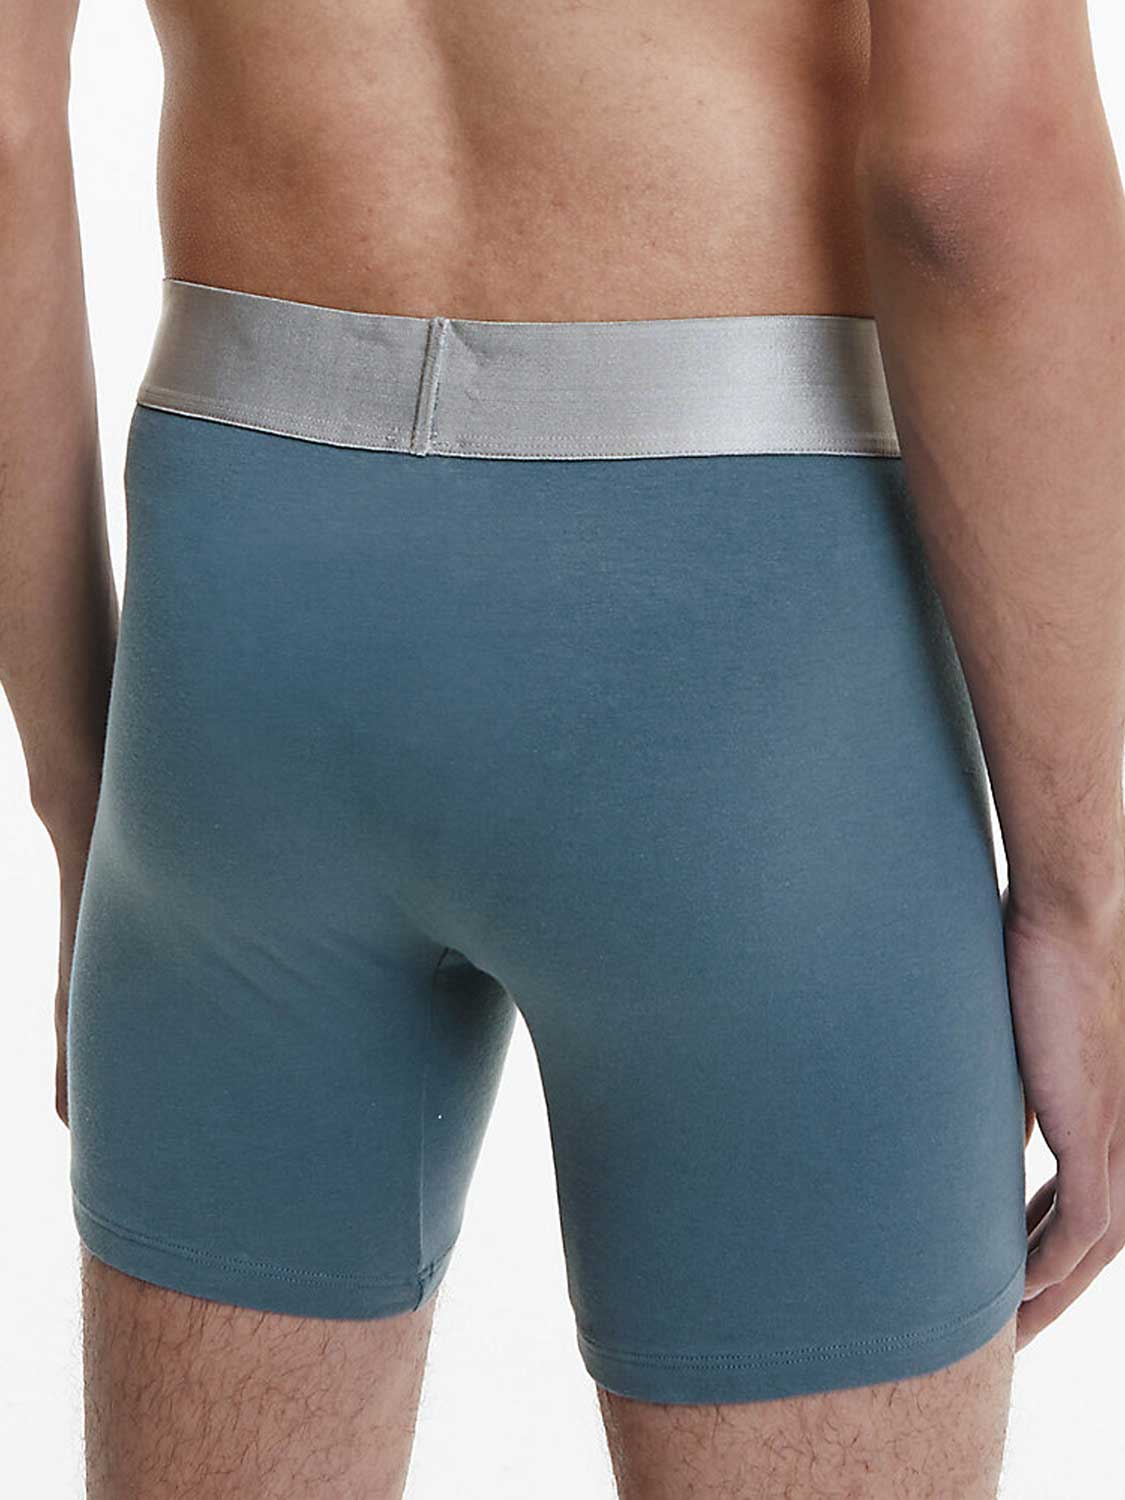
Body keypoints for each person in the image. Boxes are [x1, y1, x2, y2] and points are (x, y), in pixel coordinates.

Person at [3, 0, 1124, 1495]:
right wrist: (1081, 901)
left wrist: (87, 796)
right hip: (751, 671)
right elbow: (976, 169)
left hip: (241, 620)